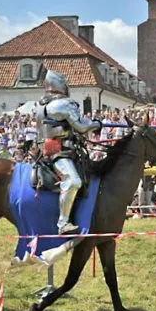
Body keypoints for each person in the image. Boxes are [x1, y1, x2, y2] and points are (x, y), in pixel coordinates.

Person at [34, 70, 102, 234]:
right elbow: (81, 127)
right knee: (73, 181)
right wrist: (97, 124)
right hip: (59, 151)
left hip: (47, 148)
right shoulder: (62, 104)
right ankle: (63, 223)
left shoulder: (41, 104)